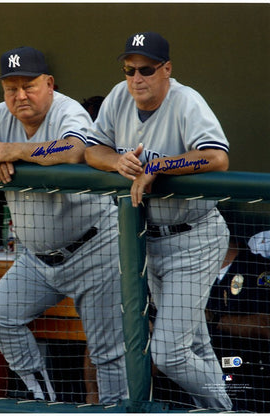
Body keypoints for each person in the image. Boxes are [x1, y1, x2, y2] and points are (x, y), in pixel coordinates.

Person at [0, 46, 127, 403]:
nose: (20, 95)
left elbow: (74, 149)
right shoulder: (1, 115)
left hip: (93, 249)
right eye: (11, 88)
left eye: (28, 86)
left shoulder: (67, 110)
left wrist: (15, 151)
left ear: (49, 83)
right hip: (37, 261)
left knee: (109, 354)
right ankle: (45, 402)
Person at [85, 31, 232, 410]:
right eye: (129, 69)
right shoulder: (120, 96)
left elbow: (217, 157)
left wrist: (160, 166)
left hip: (193, 237)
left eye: (146, 70)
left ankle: (225, 410)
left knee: (168, 352)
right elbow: (91, 148)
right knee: (195, 343)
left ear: (166, 69)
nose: (136, 78)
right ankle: (217, 410)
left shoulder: (186, 102)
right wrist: (115, 161)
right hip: (147, 240)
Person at [207, 230, 270, 412]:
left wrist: (215, 319)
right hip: (210, 377)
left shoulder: (256, 269)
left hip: (253, 378)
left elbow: (265, 325)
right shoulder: (193, 274)